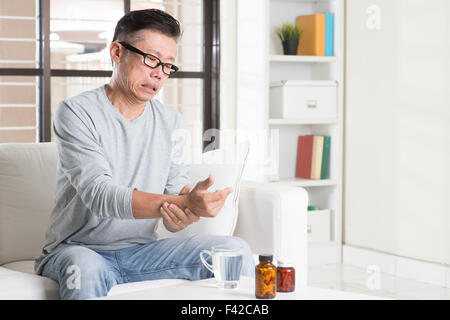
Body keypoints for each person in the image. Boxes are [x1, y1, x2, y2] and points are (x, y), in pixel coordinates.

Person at [34, 9, 254, 300]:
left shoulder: (171, 121)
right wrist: (180, 201)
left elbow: (173, 198)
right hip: (79, 250)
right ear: (116, 51)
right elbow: (99, 195)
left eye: (167, 66)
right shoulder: (76, 111)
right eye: (151, 59)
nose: (158, 74)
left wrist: (181, 214)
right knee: (85, 267)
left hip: (142, 252)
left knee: (235, 249)